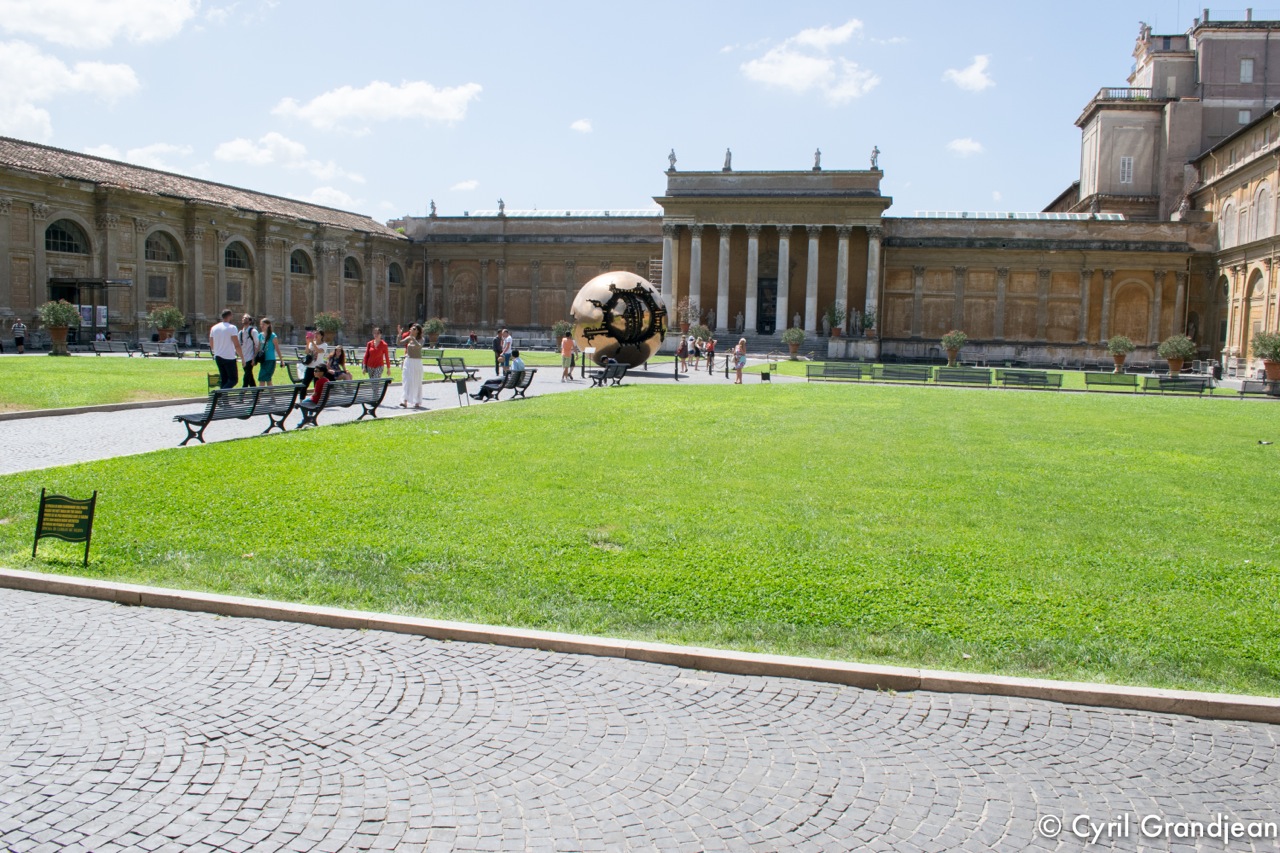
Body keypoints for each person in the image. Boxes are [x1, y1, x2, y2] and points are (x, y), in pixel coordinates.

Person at [209, 309, 242, 389]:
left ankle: (224, 401)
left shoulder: (214, 328)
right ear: (230, 316)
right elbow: (236, 344)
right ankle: (219, 394)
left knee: (224, 379)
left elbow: (211, 343)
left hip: (218, 356)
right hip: (229, 357)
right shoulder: (232, 328)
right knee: (233, 380)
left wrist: (216, 351)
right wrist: (242, 357)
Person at [399, 323, 424, 408]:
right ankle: (405, 401)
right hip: (408, 361)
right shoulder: (408, 338)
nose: (411, 330)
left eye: (414, 329)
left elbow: (419, 346)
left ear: (417, 331)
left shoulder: (421, 339)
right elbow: (399, 343)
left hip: (417, 362)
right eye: (411, 329)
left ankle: (417, 400)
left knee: (417, 381)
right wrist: (399, 334)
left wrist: (413, 339)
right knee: (407, 380)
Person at [257, 317, 280, 386]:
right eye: (261, 324)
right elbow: (258, 348)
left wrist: (281, 360)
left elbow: (277, 348)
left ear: (268, 325)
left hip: (270, 360)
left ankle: (258, 396)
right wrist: (254, 358)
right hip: (263, 360)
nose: (262, 326)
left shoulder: (273, 336)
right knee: (268, 379)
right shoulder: (260, 335)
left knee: (262, 378)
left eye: (263, 324)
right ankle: (272, 396)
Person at [239, 314, 259, 387]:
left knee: (246, 376)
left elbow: (257, 345)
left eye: (246, 318)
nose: (244, 319)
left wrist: (254, 358)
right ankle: (255, 394)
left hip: (251, 357)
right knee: (250, 377)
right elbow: (239, 345)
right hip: (244, 358)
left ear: (250, 321)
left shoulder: (253, 331)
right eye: (243, 317)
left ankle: (242, 394)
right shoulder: (240, 333)